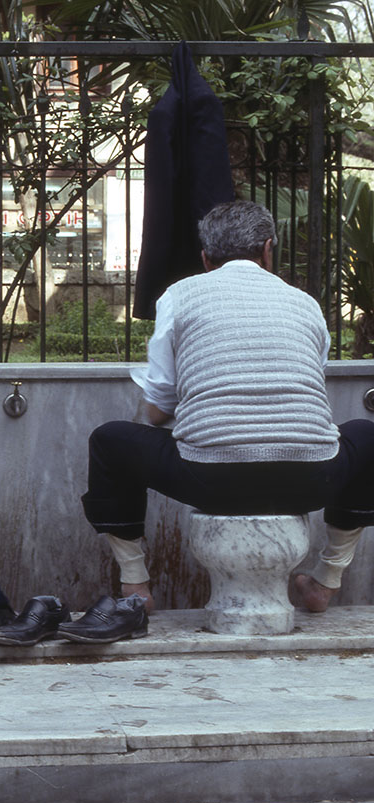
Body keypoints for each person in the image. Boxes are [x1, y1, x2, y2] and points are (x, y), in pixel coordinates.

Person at [81, 200, 374, 614]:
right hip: (311, 478)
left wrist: (160, 428)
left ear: (205, 258)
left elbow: (159, 406)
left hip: (210, 478)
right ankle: (325, 582)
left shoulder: (180, 296)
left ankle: (136, 585)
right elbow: (308, 385)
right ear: (269, 249)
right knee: (367, 436)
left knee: (111, 440)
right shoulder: (305, 304)